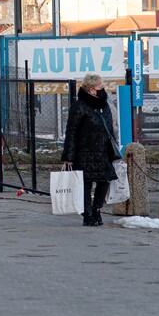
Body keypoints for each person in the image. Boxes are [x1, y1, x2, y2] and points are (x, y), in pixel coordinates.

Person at [61, 74, 118, 226]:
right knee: (85, 184)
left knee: (104, 181)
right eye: (100, 87)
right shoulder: (79, 106)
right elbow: (71, 132)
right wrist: (68, 156)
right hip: (84, 152)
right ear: (92, 89)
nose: (103, 89)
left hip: (103, 152)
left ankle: (96, 208)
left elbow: (110, 129)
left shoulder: (104, 105)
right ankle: (88, 215)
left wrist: (114, 149)